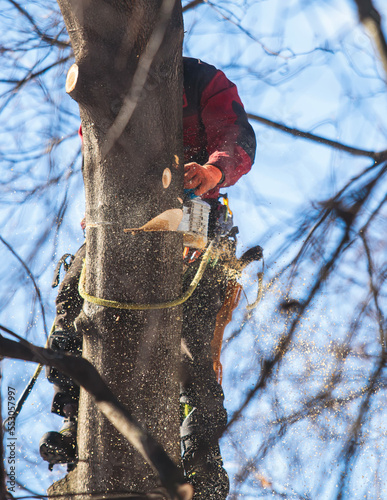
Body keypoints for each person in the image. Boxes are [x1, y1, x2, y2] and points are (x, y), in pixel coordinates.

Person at [39, 57, 256, 499]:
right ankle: (72, 418)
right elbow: (95, 152)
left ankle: (202, 461)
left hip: (198, 221)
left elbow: (236, 137)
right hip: (121, 225)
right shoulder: (107, 91)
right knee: (72, 300)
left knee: (193, 336)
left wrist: (213, 170)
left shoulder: (200, 80)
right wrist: (97, 204)